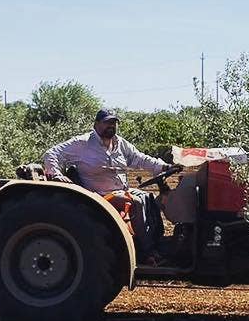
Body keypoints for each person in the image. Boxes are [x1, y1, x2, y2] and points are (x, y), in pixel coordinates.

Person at [43, 109, 173, 264]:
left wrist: (164, 167)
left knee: (147, 197)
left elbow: (140, 159)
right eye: (107, 122)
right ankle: (147, 252)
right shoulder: (82, 143)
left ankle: (156, 241)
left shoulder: (120, 143)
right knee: (136, 203)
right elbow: (51, 154)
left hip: (121, 190)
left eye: (113, 122)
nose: (111, 126)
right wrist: (57, 174)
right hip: (98, 195)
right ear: (96, 124)